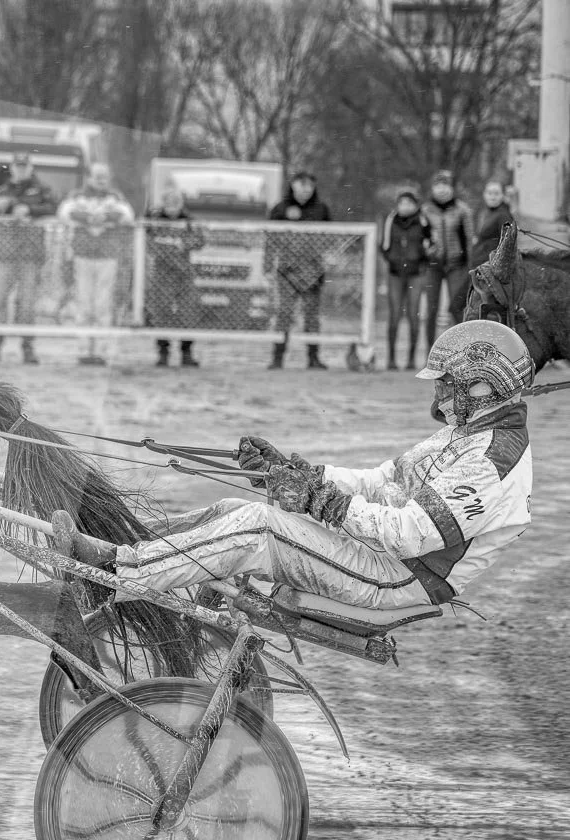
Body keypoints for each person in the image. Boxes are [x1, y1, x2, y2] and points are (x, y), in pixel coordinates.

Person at [55, 319, 532, 611]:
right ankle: (119, 548)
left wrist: (320, 502)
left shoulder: (489, 461)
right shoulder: (466, 433)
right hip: (382, 558)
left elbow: (409, 534)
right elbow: (381, 482)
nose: (438, 391)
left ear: (481, 386)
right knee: (230, 511)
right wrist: (299, 474)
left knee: (258, 526)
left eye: (446, 381)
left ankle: (114, 577)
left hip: (400, 578)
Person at [0, 153, 57, 364]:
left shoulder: (42, 190)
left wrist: (29, 209)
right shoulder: (0, 191)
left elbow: (54, 208)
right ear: (12, 168)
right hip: (5, 255)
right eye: (18, 166)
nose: (21, 170)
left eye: (25, 166)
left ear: (30, 168)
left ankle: (28, 348)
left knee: (27, 304)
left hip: (30, 255)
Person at [58, 162, 136, 361]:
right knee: (84, 303)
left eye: (105, 176)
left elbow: (128, 215)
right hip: (82, 255)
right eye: (97, 176)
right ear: (89, 177)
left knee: (103, 304)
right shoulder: (77, 195)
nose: (101, 180)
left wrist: (106, 216)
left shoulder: (115, 197)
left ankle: (101, 350)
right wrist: (87, 218)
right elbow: (64, 213)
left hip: (107, 256)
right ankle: (84, 349)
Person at [266, 171, 332, 370]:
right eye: (301, 184)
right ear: (293, 185)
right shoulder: (280, 209)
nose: (305, 189)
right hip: (287, 271)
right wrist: (267, 265)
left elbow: (330, 237)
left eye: (309, 185)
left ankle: (313, 357)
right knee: (284, 314)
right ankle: (278, 357)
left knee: (312, 316)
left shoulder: (321, 209)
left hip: (313, 272)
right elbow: (270, 238)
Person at [144, 185, 206, 368]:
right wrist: (168, 249)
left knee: (188, 313)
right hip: (162, 274)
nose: (172, 207)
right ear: (163, 204)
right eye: (169, 203)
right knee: (161, 313)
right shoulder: (155, 220)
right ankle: (163, 353)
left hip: (184, 274)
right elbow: (148, 241)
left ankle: (186, 353)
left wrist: (184, 244)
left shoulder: (188, 221)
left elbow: (200, 240)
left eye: (176, 203)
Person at [421, 170, 477, 353]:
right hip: (433, 265)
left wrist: (471, 266)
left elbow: (469, 239)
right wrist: (427, 252)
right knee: (431, 309)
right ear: (433, 188)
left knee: (457, 307)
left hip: (456, 265)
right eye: (438, 185)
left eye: (445, 185)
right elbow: (422, 237)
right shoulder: (425, 210)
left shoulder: (462, 210)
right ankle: (430, 351)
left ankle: (459, 350)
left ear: (451, 188)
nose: (442, 189)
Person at [379, 190, 435, 371]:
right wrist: (393, 260)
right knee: (394, 315)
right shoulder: (390, 220)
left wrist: (422, 258)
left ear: (416, 205)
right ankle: (391, 358)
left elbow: (431, 244)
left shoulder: (423, 221)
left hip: (416, 274)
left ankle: (411, 359)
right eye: (402, 203)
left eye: (409, 203)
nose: (405, 207)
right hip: (395, 273)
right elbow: (384, 246)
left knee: (413, 315)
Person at [470, 179, 515, 272]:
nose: (492, 197)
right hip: (480, 263)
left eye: (496, 194)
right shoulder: (485, 212)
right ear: (484, 194)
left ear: (502, 195)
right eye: (489, 193)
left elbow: (508, 245)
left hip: (490, 268)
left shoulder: (503, 215)